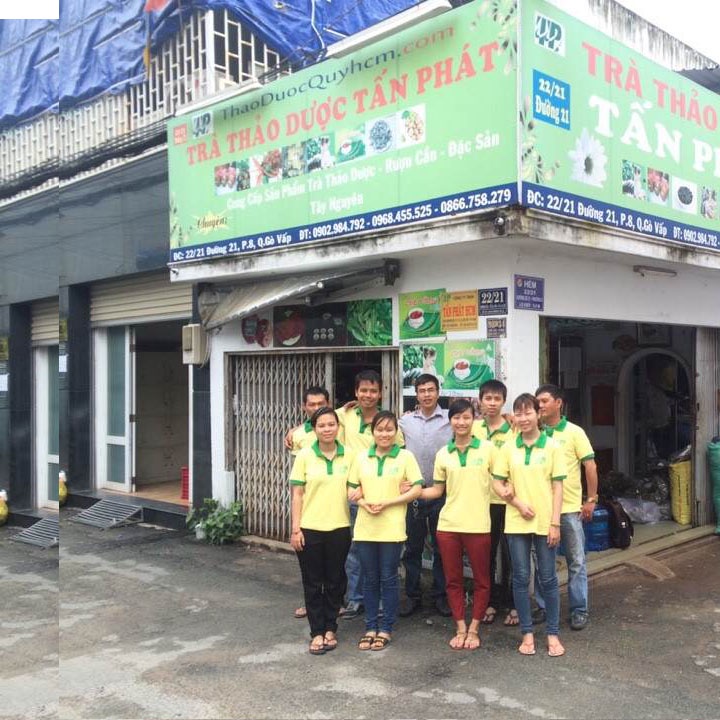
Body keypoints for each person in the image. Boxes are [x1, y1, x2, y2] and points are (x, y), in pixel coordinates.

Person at [491, 393, 566, 657]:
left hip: (545, 521)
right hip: (516, 521)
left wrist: (555, 523)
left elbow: (558, 488)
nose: (523, 418)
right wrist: (515, 502)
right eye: (519, 413)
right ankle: (527, 633)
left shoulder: (552, 446)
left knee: (548, 578)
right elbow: (497, 482)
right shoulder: (508, 448)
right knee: (521, 578)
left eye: (528, 412)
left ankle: (553, 634)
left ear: (538, 414)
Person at [419, 399, 495, 650]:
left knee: (482, 580)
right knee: (453, 579)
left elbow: (500, 483)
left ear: (474, 419)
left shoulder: (488, 449)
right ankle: (460, 626)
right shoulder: (443, 454)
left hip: (478, 525)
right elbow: (437, 490)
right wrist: (412, 491)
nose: (461, 422)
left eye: (466, 417)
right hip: (448, 525)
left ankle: (474, 628)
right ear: (450, 421)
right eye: (456, 417)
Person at [348, 411, 422, 650]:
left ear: (396, 432)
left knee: (389, 578)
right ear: (373, 432)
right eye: (379, 429)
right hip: (365, 527)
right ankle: (370, 626)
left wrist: (390, 502)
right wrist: (362, 503)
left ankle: (386, 628)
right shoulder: (361, 458)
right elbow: (351, 489)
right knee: (370, 578)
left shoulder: (406, 457)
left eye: (389, 429)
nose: (384, 434)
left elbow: (417, 489)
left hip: (392, 527)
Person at [335, 369, 404, 620]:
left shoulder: (387, 422)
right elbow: (318, 419)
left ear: (380, 393)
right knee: (355, 550)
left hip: (385, 499)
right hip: (356, 495)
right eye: (363, 390)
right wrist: (295, 430)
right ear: (355, 392)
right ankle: (356, 599)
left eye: (373, 390)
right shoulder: (345, 415)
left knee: (385, 553)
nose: (368, 395)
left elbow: (400, 455)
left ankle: (383, 602)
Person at [289, 407, 354, 655]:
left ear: (338, 427)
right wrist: (296, 529)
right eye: (322, 425)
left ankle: (331, 628)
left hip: (339, 528)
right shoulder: (305, 456)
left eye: (331, 424)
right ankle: (316, 631)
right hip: (310, 529)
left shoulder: (350, 455)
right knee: (313, 583)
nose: (327, 429)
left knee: (336, 581)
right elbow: (297, 494)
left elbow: (356, 488)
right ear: (314, 429)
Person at [534, 384, 598, 631]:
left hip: (569, 508)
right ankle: (543, 606)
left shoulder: (574, 432)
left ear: (558, 403)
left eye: (544, 401)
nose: (540, 405)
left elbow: (590, 466)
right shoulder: (535, 432)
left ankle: (579, 610)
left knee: (576, 561)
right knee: (543, 562)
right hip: (542, 508)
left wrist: (591, 499)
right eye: (538, 401)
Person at [398, 374, 452, 618]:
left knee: (442, 548)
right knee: (412, 548)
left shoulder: (451, 418)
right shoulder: (405, 421)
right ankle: (412, 596)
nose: (427, 394)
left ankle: (441, 596)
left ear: (438, 392)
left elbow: (483, 422)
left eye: (431, 390)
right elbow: (379, 430)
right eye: (422, 390)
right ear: (416, 394)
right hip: (414, 495)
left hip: (443, 493)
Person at [472, 379, 517, 627]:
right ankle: (488, 602)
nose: (492, 403)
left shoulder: (513, 428)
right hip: (481, 501)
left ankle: (512, 602)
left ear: (503, 401)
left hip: (508, 501)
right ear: (480, 401)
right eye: (487, 398)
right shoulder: (473, 428)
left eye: (497, 399)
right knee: (486, 555)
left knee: (511, 556)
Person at [289, 386, 331, 620]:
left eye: (321, 404)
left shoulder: (338, 422)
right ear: (304, 407)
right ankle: (312, 604)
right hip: (310, 504)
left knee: (338, 560)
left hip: (337, 504)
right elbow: (298, 482)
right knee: (311, 560)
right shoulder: (298, 436)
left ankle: (337, 602)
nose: (316, 408)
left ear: (329, 404)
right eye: (311, 405)